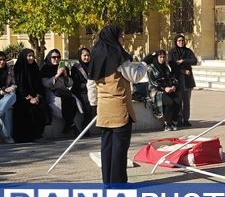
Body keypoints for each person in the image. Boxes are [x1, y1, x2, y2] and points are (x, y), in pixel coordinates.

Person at [88, 25, 147, 185]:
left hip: (104, 107)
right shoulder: (118, 54)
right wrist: (144, 64)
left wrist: (94, 104)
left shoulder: (95, 53)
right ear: (114, 37)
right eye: (121, 36)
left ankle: (108, 180)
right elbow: (134, 76)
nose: (123, 39)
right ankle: (118, 182)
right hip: (119, 106)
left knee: (107, 145)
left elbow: (91, 83)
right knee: (119, 147)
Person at [12, 48, 50, 143]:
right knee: (27, 109)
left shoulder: (35, 67)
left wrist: (37, 96)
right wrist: (29, 98)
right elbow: (20, 86)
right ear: (24, 57)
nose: (31, 58)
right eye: (29, 56)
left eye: (32, 56)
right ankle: (27, 136)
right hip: (22, 97)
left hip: (35, 95)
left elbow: (39, 85)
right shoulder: (19, 68)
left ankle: (38, 134)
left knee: (42, 106)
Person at [40, 49, 80, 136]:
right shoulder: (45, 68)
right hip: (52, 92)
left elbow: (69, 84)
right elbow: (46, 84)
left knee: (73, 101)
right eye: (54, 57)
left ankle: (69, 124)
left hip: (63, 91)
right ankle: (71, 124)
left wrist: (65, 75)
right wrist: (57, 75)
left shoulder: (63, 68)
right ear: (49, 58)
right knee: (62, 102)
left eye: (58, 57)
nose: (56, 59)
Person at [168, 34, 197, 128]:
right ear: (176, 42)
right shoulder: (172, 52)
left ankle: (186, 119)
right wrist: (183, 71)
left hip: (187, 80)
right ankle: (178, 119)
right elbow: (172, 64)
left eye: (182, 40)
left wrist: (183, 61)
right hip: (176, 78)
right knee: (178, 100)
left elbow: (194, 61)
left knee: (186, 100)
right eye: (179, 41)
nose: (181, 42)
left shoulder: (188, 51)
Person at [147, 50, 180, 131]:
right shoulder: (151, 68)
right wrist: (164, 88)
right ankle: (167, 124)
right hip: (156, 90)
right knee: (169, 102)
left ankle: (174, 122)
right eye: (160, 57)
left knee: (178, 101)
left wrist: (174, 86)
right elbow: (153, 82)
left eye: (164, 57)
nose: (162, 59)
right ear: (157, 57)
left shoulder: (166, 67)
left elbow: (171, 78)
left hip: (168, 89)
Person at [71, 47, 96, 134]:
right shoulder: (76, 68)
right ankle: (85, 127)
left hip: (92, 90)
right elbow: (76, 83)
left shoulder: (92, 66)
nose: (86, 58)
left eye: (88, 55)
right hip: (81, 92)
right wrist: (87, 85)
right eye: (84, 55)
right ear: (80, 56)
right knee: (89, 106)